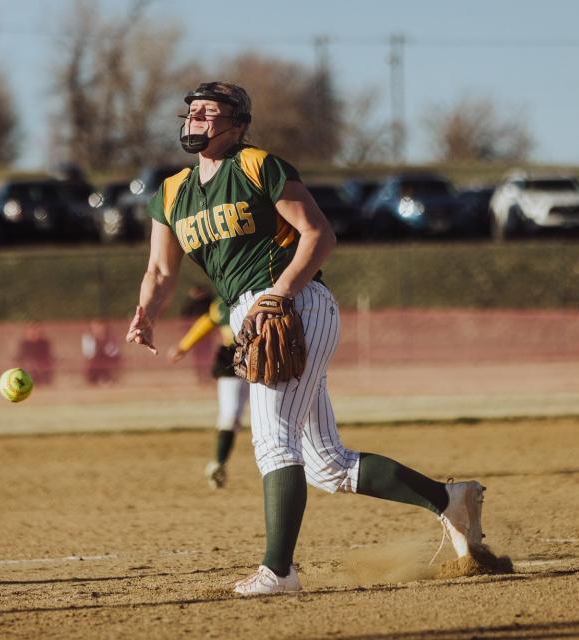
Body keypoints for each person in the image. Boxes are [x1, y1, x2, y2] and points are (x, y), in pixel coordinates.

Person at [126, 81, 497, 595]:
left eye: (209, 113)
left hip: (291, 304)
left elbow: (319, 233)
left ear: (237, 124)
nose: (195, 120)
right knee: (327, 464)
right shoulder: (173, 192)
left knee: (273, 443)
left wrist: (277, 293)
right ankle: (449, 499)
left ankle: (278, 572)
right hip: (255, 312)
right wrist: (146, 311)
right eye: (191, 112)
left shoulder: (258, 166)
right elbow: (161, 271)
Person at [168, 296, 249, 489]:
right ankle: (219, 464)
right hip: (234, 358)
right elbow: (208, 320)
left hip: (270, 353)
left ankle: (299, 466)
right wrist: (183, 346)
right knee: (229, 417)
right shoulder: (224, 302)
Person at [82, 320, 121, 385]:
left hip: (108, 360)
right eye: (95, 327)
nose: (98, 329)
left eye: (99, 327)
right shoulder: (88, 337)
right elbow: (88, 354)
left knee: (105, 361)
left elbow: (113, 352)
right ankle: (96, 380)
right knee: (95, 361)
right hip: (94, 361)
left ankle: (106, 379)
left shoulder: (110, 337)